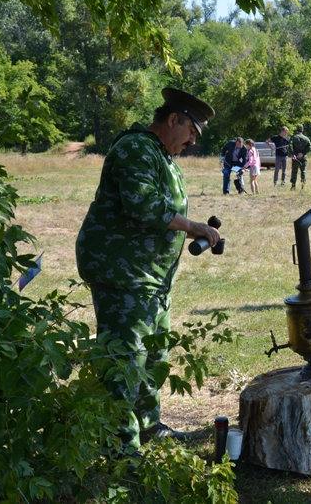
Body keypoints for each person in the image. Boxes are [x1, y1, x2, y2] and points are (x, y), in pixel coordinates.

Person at [75, 88, 220, 450]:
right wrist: (194, 227)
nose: (192, 141)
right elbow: (143, 205)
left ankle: (148, 428)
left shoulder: (162, 155)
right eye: (191, 131)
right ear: (172, 119)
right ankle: (123, 449)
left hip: (149, 277)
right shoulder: (136, 148)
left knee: (154, 355)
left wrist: (191, 229)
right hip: (122, 274)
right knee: (126, 361)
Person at [290, 124, 311, 190]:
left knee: (294, 171)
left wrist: (293, 154)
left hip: (295, 157)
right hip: (303, 157)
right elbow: (310, 147)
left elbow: (290, 146)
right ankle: (303, 186)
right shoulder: (306, 138)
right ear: (302, 130)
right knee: (303, 172)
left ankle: (293, 186)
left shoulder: (293, 137)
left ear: (296, 130)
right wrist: (303, 153)